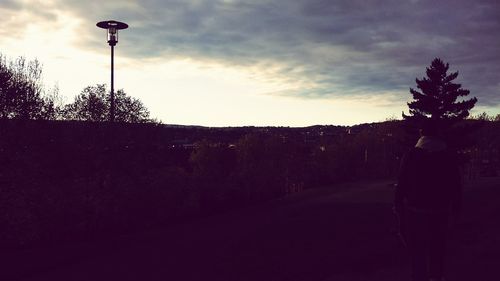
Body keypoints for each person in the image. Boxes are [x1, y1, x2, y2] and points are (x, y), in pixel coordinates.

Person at [394, 122, 462, 281]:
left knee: (417, 252)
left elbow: (401, 183)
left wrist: (397, 205)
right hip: (441, 212)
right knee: (438, 250)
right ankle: (436, 277)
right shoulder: (448, 156)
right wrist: (456, 209)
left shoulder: (411, 155)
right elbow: (456, 185)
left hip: (415, 213)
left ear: (421, 133)